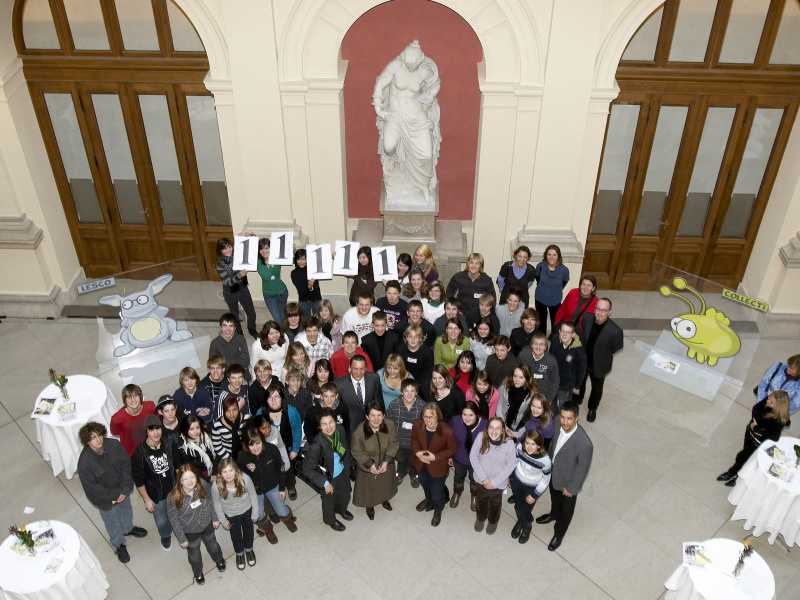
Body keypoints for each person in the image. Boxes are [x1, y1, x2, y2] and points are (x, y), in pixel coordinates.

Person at [373, 40, 441, 204]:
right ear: (403, 58)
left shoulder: (425, 71)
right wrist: (378, 109)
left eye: (414, 66)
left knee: (425, 155)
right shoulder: (395, 66)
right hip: (395, 115)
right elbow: (380, 85)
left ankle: (424, 188)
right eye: (408, 65)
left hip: (417, 117)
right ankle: (400, 164)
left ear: (420, 60)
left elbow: (435, 84)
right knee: (389, 148)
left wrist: (430, 96)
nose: (411, 69)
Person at [77, 422, 147, 564]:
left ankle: (128, 528)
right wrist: (116, 495)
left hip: (122, 489)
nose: (98, 440)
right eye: (93, 438)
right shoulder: (84, 463)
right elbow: (93, 488)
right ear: (87, 441)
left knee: (126, 510)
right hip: (106, 500)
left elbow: (126, 465)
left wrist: (124, 489)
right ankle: (119, 544)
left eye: (99, 435)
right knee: (111, 521)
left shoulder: (113, 445)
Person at [536, 401, 593, 552]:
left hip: (568, 484)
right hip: (554, 475)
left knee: (566, 511)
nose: (565, 422)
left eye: (569, 418)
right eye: (563, 417)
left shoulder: (585, 444)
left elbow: (582, 469)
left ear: (577, 419)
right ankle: (553, 514)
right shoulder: (556, 422)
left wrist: (571, 488)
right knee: (555, 499)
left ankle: (558, 534)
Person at [167, 464, 226, 585]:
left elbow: (210, 501)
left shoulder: (203, 485)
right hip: (190, 531)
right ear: (180, 481)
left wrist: (214, 517)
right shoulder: (173, 497)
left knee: (212, 544)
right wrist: (181, 538)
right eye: (185, 479)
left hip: (207, 524)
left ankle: (219, 560)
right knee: (194, 552)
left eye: (192, 477)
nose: (189, 481)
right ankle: (198, 572)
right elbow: (173, 520)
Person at [717, 391, 791, 487]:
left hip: (758, 443)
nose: (767, 401)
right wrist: (755, 427)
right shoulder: (769, 401)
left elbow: (774, 437)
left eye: (771, 402)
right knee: (745, 455)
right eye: (769, 398)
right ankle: (735, 475)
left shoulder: (779, 421)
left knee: (743, 457)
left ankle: (733, 474)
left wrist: (758, 429)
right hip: (750, 433)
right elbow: (755, 409)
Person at [237, 427, 296, 544]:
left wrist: (281, 488)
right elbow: (242, 478)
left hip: (273, 486)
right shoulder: (242, 458)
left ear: (262, 440)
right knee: (259, 513)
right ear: (246, 445)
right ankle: (267, 529)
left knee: (281, 509)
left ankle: (287, 518)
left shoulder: (272, 449)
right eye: (251, 445)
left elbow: (280, 470)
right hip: (255, 491)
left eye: (258, 443)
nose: (256, 448)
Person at [131, 415, 181, 551]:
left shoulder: (169, 444)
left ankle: (179, 530)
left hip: (173, 489)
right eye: (151, 430)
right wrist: (147, 499)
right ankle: (165, 535)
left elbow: (178, 466)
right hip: (156, 495)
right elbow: (139, 480)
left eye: (158, 428)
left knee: (177, 513)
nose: (156, 433)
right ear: (146, 431)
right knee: (161, 520)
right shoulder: (139, 453)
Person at [303, 408, 354, 531]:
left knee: (345, 495)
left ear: (335, 421)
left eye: (331, 422)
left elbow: (345, 450)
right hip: (328, 478)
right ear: (319, 426)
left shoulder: (340, 430)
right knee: (328, 502)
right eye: (324, 424)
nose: (329, 427)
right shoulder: (317, 445)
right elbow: (307, 469)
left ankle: (341, 510)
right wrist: (325, 483)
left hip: (342, 471)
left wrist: (348, 468)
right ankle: (330, 520)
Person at [576, 298, 624, 423]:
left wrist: (601, 354)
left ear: (609, 312)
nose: (600, 313)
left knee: (597, 387)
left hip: (599, 364)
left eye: (604, 310)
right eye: (598, 309)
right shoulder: (587, 318)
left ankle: (592, 408)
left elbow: (616, 347)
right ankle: (578, 399)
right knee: (580, 380)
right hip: (584, 358)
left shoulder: (616, 331)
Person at [351, 401, 399, 520]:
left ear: (384, 416)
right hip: (367, 465)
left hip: (385, 462)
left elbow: (394, 443)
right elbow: (356, 451)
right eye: (372, 415)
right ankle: (370, 506)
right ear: (367, 416)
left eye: (379, 415)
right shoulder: (359, 432)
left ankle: (384, 500)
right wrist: (369, 464)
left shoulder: (390, 425)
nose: (376, 419)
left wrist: (387, 461)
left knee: (385, 484)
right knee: (369, 489)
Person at [412, 402, 457, 526]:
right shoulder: (417, 424)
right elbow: (414, 439)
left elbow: (452, 450)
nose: (428, 420)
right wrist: (417, 452)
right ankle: (428, 500)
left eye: (432, 417)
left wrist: (435, 457)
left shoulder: (447, 432)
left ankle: (438, 509)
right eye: (425, 417)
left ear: (438, 417)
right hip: (421, 464)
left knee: (437, 492)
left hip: (438, 466)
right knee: (425, 485)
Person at [469, 416, 516, 534]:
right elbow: (473, 458)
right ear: (487, 429)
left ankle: (493, 521)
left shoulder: (509, 444)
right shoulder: (481, 437)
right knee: (481, 500)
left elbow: (509, 467)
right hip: (481, 481)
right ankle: (481, 517)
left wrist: (494, 483)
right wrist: (484, 479)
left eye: (498, 428)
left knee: (495, 503)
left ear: (503, 431)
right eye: (491, 428)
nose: (494, 432)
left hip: (498, 484)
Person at [211, 457, 258, 570]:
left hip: (246, 510)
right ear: (220, 473)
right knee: (235, 535)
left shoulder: (245, 479)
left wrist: (255, 513)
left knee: (248, 532)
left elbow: (253, 495)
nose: (228, 475)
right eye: (224, 472)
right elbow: (217, 504)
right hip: (231, 515)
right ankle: (239, 554)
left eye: (230, 471)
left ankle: (249, 550)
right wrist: (223, 520)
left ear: (236, 470)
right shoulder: (216, 486)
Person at [509, 430, 551, 544]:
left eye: (533, 444)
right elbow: (515, 461)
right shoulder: (519, 448)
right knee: (518, 506)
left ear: (539, 445)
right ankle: (520, 521)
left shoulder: (545, 461)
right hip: (517, 482)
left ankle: (527, 525)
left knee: (526, 509)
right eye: (527, 443)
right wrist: (511, 476)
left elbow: (546, 480)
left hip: (532, 487)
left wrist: (534, 495)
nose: (529, 447)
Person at [215, 237, 258, 339]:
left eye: (229, 247)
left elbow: (250, 248)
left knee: (251, 312)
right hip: (230, 291)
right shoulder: (219, 264)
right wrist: (239, 276)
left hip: (242, 287)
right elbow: (229, 282)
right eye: (225, 248)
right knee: (235, 315)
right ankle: (239, 333)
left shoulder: (238, 255)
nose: (228, 250)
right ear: (220, 250)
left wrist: (251, 236)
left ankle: (252, 329)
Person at [265, 384, 302, 500]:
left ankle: (290, 486)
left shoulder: (291, 411)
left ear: (282, 398)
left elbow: (297, 431)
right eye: (270, 397)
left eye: (276, 397)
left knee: (288, 469)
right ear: (266, 400)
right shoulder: (261, 414)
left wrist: (295, 449)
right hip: (269, 450)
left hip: (287, 448)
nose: (273, 400)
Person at [448, 401, 486, 511]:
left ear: (477, 415)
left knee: (474, 479)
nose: (467, 418)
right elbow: (450, 439)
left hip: (477, 461)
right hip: (459, 457)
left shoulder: (485, 425)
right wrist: (449, 455)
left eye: (471, 415)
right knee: (459, 476)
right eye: (464, 415)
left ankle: (474, 495)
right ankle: (457, 492)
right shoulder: (455, 421)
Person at [387, 379, 424, 488]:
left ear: (416, 392)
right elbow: (389, 423)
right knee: (401, 459)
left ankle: (414, 475)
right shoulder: (394, 405)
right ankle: (401, 473)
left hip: (416, 443)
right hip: (400, 441)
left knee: (414, 460)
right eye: (406, 391)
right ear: (401, 392)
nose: (409, 394)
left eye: (412, 391)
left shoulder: (422, 406)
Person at [335, 355, 384, 431]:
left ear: (366, 368)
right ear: (350, 368)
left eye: (362, 369)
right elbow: (339, 410)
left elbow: (379, 403)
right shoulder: (339, 384)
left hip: (371, 426)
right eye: (355, 369)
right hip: (350, 429)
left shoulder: (374, 379)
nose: (358, 373)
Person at [549, 320, 587, 413]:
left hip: (566, 385)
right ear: (559, 331)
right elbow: (550, 357)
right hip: (553, 380)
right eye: (563, 331)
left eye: (568, 332)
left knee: (564, 405)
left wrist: (577, 386)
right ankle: (555, 419)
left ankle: (561, 421)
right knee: (551, 403)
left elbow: (581, 371)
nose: (564, 334)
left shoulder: (579, 351)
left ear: (573, 334)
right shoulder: (555, 340)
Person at [110, 384, 157, 456]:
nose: (133, 400)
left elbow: (157, 422)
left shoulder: (150, 407)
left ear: (140, 396)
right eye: (129, 397)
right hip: (132, 453)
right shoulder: (117, 419)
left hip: (152, 447)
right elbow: (115, 432)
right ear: (124, 400)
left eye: (135, 396)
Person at [534, 244, 569, 336]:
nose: (551, 257)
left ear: (559, 256)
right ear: (546, 255)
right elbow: (538, 279)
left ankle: (553, 338)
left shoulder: (564, 270)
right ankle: (542, 339)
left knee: (556, 322)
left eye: (554, 255)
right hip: (540, 298)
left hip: (555, 300)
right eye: (549, 254)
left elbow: (564, 282)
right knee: (541, 322)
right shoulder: (540, 266)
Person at [496, 365, 537, 440]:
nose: (517, 380)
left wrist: (517, 434)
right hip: (502, 422)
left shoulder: (532, 394)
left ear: (527, 379)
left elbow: (531, 417)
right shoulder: (505, 386)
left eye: (521, 377)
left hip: (519, 428)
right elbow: (499, 405)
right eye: (515, 376)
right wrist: (502, 425)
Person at [518, 332, 560, 405]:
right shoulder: (523, 355)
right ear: (531, 345)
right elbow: (516, 373)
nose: (538, 347)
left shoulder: (551, 361)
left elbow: (555, 381)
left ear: (546, 347)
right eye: (535, 344)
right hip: (525, 392)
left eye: (541, 345)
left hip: (543, 394)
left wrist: (549, 398)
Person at [209, 313, 252, 382]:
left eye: (231, 326)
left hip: (240, 374)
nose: (227, 329)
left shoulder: (240, 339)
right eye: (224, 326)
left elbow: (246, 361)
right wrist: (237, 362)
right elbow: (214, 365)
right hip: (223, 376)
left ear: (235, 328)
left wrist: (224, 362)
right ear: (220, 327)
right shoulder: (215, 343)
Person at [256, 237, 289, 323]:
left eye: (266, 248)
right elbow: (266, 277)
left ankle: (286, 335)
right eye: (261, 249)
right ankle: (284, 335)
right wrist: (271, 265)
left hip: (282, 292)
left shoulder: (277, 258)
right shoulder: (258, 262)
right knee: (278, 320)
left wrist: (293, 251)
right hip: (269, 295)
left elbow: (292, 260)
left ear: (271, 248)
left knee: (283, 317)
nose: (264, 251)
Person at [396, 325, 434, 397]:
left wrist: (416, 386)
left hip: (421, 385)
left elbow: (428, 373)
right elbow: (398, 368)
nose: (413, 340)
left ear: (420, 339)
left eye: (416, 337)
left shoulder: (427, 352)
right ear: (406, 338)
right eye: (410, 336)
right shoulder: (400, 350)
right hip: (403, 381)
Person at [176, 415, 217, 483]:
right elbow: (188, 469)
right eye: (191, 429)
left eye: (197, 428)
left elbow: (215, 457)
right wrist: (207, 478)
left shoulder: (207, 437)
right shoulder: (182, 447)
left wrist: (215, 473)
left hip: (213, 473)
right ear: (185, 429)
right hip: (196, 479)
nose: (196, 431)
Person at [211, 396, 252, 461]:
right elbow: (217, 446)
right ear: (224, 411)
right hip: (226, 456)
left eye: (234, 410)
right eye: (228, 411)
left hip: (246, 453)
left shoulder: (247, 419)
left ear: (238, 408)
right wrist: (229, 460)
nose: (232, 414)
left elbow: (252, 438)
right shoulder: (217, 425)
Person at [290, 249, 321, 317]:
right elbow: (301, 290)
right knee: (306, 323)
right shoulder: (294, 273)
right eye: (298, 259)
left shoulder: (313, 269)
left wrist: (318, 247)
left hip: (316, 300)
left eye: (303, 259)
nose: (301, 262)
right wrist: (309, 286)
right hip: (304, 302)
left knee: (319, 322)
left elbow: (320, 259)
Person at [200, 356, 226, 424]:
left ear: (223, 369)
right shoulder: (203, 386)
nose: (215, 371)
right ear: (209, 370)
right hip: (211, 419)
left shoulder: (229, 381)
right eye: (212, 368)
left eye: (218, 368)